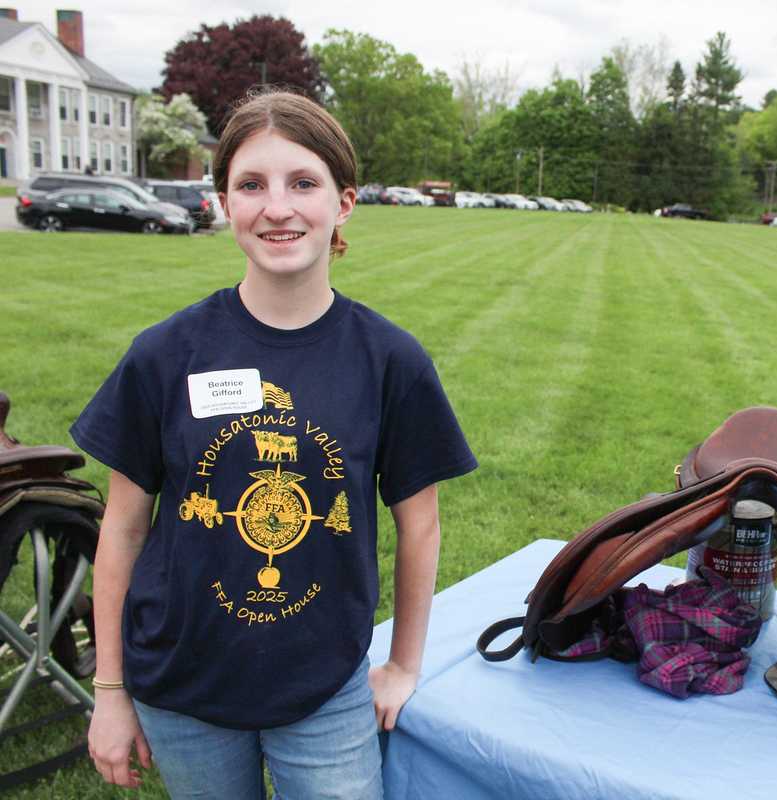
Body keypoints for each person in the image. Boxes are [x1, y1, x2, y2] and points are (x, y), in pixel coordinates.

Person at [72, 89, 477, 798]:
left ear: (344, 203)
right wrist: (110, 690)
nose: (278, 207)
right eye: (251, 185)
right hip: (182, 681)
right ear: (224, 202)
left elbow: (420, 524)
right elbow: (124, 527)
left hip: (324, 687)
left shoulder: (389, 361)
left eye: (303, 183)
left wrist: (404, 665)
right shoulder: (165, 355)